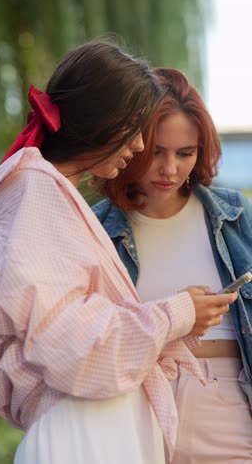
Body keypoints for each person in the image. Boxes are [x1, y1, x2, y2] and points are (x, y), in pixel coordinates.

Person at [0, 42, 236, 464]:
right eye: (137, 130)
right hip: (84, 431)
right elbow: (69, 347)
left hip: (96, 429)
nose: (139, 146)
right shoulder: (36, 193)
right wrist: (177, 313)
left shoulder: (48, 193)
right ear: (102, 120)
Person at [92, 67, 252, 463]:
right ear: (130, 146)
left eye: (186, 153)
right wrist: (175, 314)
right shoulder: (93, 227)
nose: (170, 169)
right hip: (132, 404)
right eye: (156, 151)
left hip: (225, 397)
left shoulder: (234, 214)